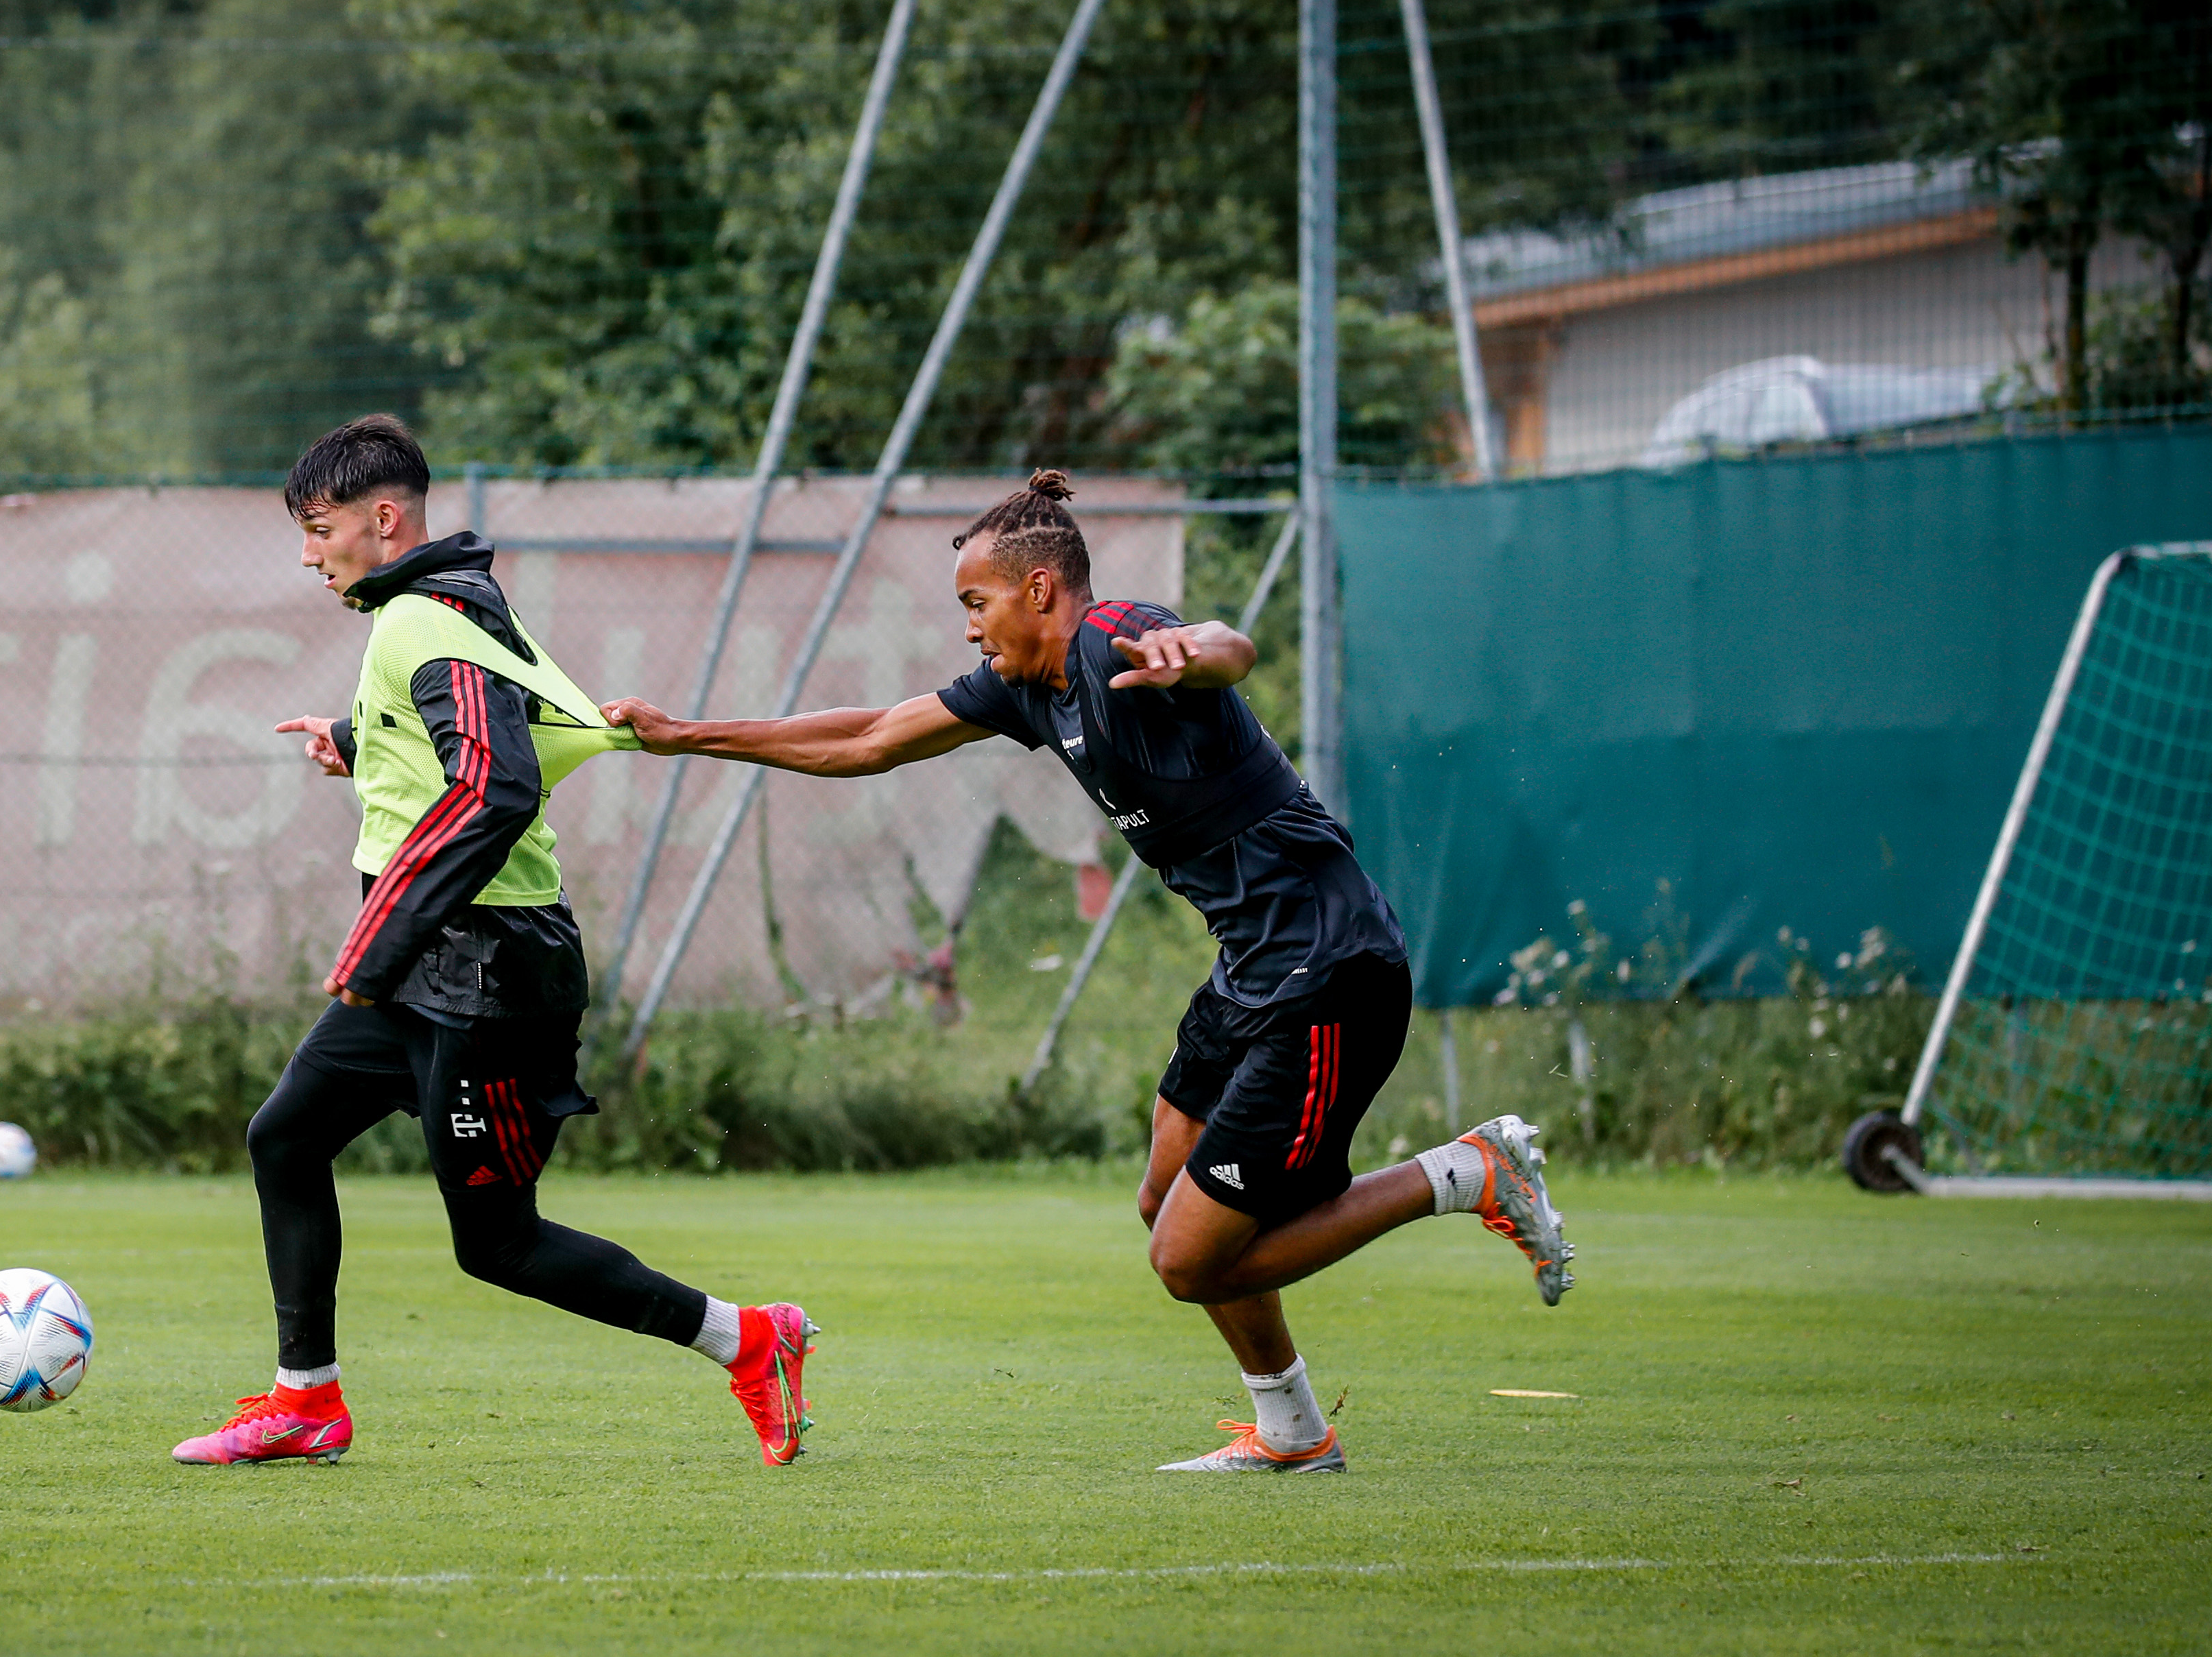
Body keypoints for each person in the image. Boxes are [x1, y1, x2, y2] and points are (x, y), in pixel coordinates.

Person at [601, 468, 1572, 1475]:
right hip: (1254, 967)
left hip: (1330, 969)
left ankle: (1466, 1172)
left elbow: (1227, 648)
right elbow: (874, 736)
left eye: (977, 604)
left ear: (1038, 592)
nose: (971, 630)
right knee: (1165, 1200)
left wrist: (1194, 649)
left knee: (1189, 1258)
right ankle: (1292, 1428)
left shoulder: (1115, 637)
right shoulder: (1030, 688)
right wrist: (688, 735)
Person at [169, 413, 819, 1469]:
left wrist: (374, 951)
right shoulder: (434, 611)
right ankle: (306, 1400)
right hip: (428, 968)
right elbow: (468, 734)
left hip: (486, 980)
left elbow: (495, 784)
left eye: (319, 526)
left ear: (383, 521)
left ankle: (749, 1337)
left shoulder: (423, 621)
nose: (307, 553)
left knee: (500, 1245)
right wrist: (352, 738)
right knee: (283, 1135)